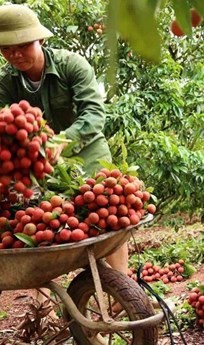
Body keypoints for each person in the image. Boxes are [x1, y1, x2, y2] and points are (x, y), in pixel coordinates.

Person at [0, 4, 129, 274]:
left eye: (22, 45)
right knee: (36, 221)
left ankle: (122, 283)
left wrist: (60, 142)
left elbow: (94, 114)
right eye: (6, 49)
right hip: (39, 163)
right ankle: (41, 296)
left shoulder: (72, 65)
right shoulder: (7, 83)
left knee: (110, 220)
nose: (15, 54)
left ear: (40, 39)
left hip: (88, 152)